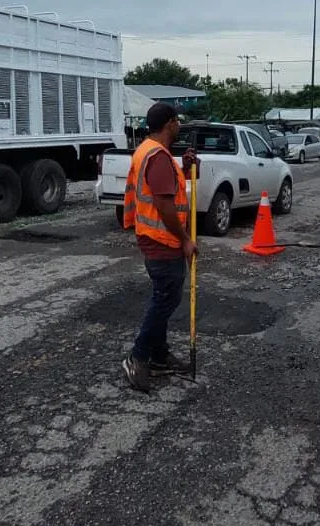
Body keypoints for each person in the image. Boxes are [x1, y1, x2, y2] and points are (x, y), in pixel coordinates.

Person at [121, 103, 199, 392]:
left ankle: (158, 354)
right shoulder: (158, 157)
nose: (179, 126)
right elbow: (165, 206)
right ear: (170, 124)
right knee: (166, 299)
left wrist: (184, 167)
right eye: (177, 122)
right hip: (162, 240)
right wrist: (185, 240)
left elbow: (163, 187)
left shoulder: (151, 152)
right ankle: (138, 356)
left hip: (153, 237)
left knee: (163, 296)